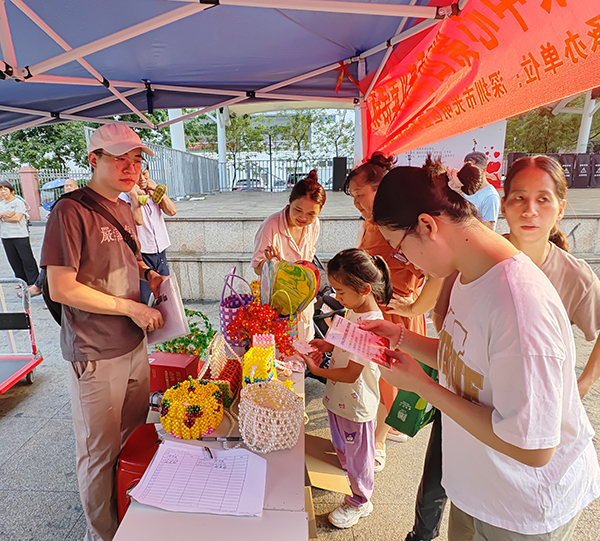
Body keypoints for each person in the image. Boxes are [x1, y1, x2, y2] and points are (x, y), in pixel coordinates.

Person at [362, 159, 600, 540]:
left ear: (427, 226)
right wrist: (400, 336)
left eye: (400, 250)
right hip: (482, 491)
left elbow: (533, 447)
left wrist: (424, 387)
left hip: (524, 509)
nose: (406, 262)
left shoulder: (519, 305)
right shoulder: (470, 274)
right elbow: (465, 356)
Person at [41, 122, 165, 541]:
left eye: (136, 160)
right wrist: (129, 306)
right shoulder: (70, 210)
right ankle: (104, 533)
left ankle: (130, 516)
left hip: (133, 344)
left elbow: (128, 259)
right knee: (99, 453)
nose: (130, 168)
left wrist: (149, 275)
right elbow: (61, 287)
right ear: (93, 160)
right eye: (119, 159)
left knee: (132, 438)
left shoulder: (122, 204)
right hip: (95, 352)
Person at [344, 153, 442, 472]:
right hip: (374, 311)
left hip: (396, 313)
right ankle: (385, 429)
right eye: (354, 197)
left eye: (361, 194)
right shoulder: (372, 222)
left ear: (382, 187)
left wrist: (414, 306)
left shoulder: (406, 223)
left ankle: (381, 440)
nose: (357, 202)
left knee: (391, 377)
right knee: (376, 376)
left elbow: (436, 272)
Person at [303, 248, 392, 529]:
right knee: (343, 445)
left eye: (340, 292)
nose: (337, 298)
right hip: (339, 398)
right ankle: (350, 477)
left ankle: (360, 500)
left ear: (364, 289)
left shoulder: (373, 326)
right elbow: (342, 337)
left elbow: (353, 372)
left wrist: (318, 371)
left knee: (358, 455)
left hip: (356, 403)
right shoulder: (355, 310)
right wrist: (326, 345)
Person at [503, 155, 600, 398]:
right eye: (519, 198)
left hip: (537, 402)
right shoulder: (475, 259)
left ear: (561, 209)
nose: (530, 211)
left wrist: (585, 382)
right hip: (469, 402)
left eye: (543, 199)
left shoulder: (574, 275)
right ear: (504, 205)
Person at [251, 170, 325, 341]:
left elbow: (309, 257)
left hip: (303, 301)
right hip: (277, 305)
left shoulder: (314, 226)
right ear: (290, 200)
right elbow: (257, 267)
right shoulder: (271, 225)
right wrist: (271, 264)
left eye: (311, 214)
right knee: (279, 355)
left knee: (301, 351)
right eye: (298, 210)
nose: (303, 218)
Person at [120, 166, 177, 304]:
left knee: (165, 294)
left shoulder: (153, 191)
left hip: (160, 251)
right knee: (144, 298)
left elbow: (172, 211)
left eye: (145, 174)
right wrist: (134, 196)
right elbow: (138, 220)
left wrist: (158, 192)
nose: (143, 179)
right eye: (138, 175)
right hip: (142, 255)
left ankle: (166, 323)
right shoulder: (124, 196)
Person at [29, 178, 80, 297]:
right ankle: (44, 289)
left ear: (76, 187)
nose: (68, 188)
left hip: (74, 239)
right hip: (62, 238)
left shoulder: (79, 201)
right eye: (66, 186)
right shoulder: (62, 201)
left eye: (70, 185)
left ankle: (41, 287)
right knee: (51, 260)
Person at [0, 179, 40, 287]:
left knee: (26, 259)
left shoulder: (18, 202)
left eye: (5, 189)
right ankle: (21, 280)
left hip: (20, 235)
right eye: (1, 190)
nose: (3, 191)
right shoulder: (1, 204)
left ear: (11, 190)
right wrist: (4, 214)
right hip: (6, 236)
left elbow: (17, 218)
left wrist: (2, 218)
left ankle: (34, 280)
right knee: (13, 259)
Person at [458, 151, 501, 230]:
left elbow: (489, 228)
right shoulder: (464, 188)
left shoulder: (490, 196)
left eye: (472, 170)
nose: (467, 174)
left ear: (484, 170)